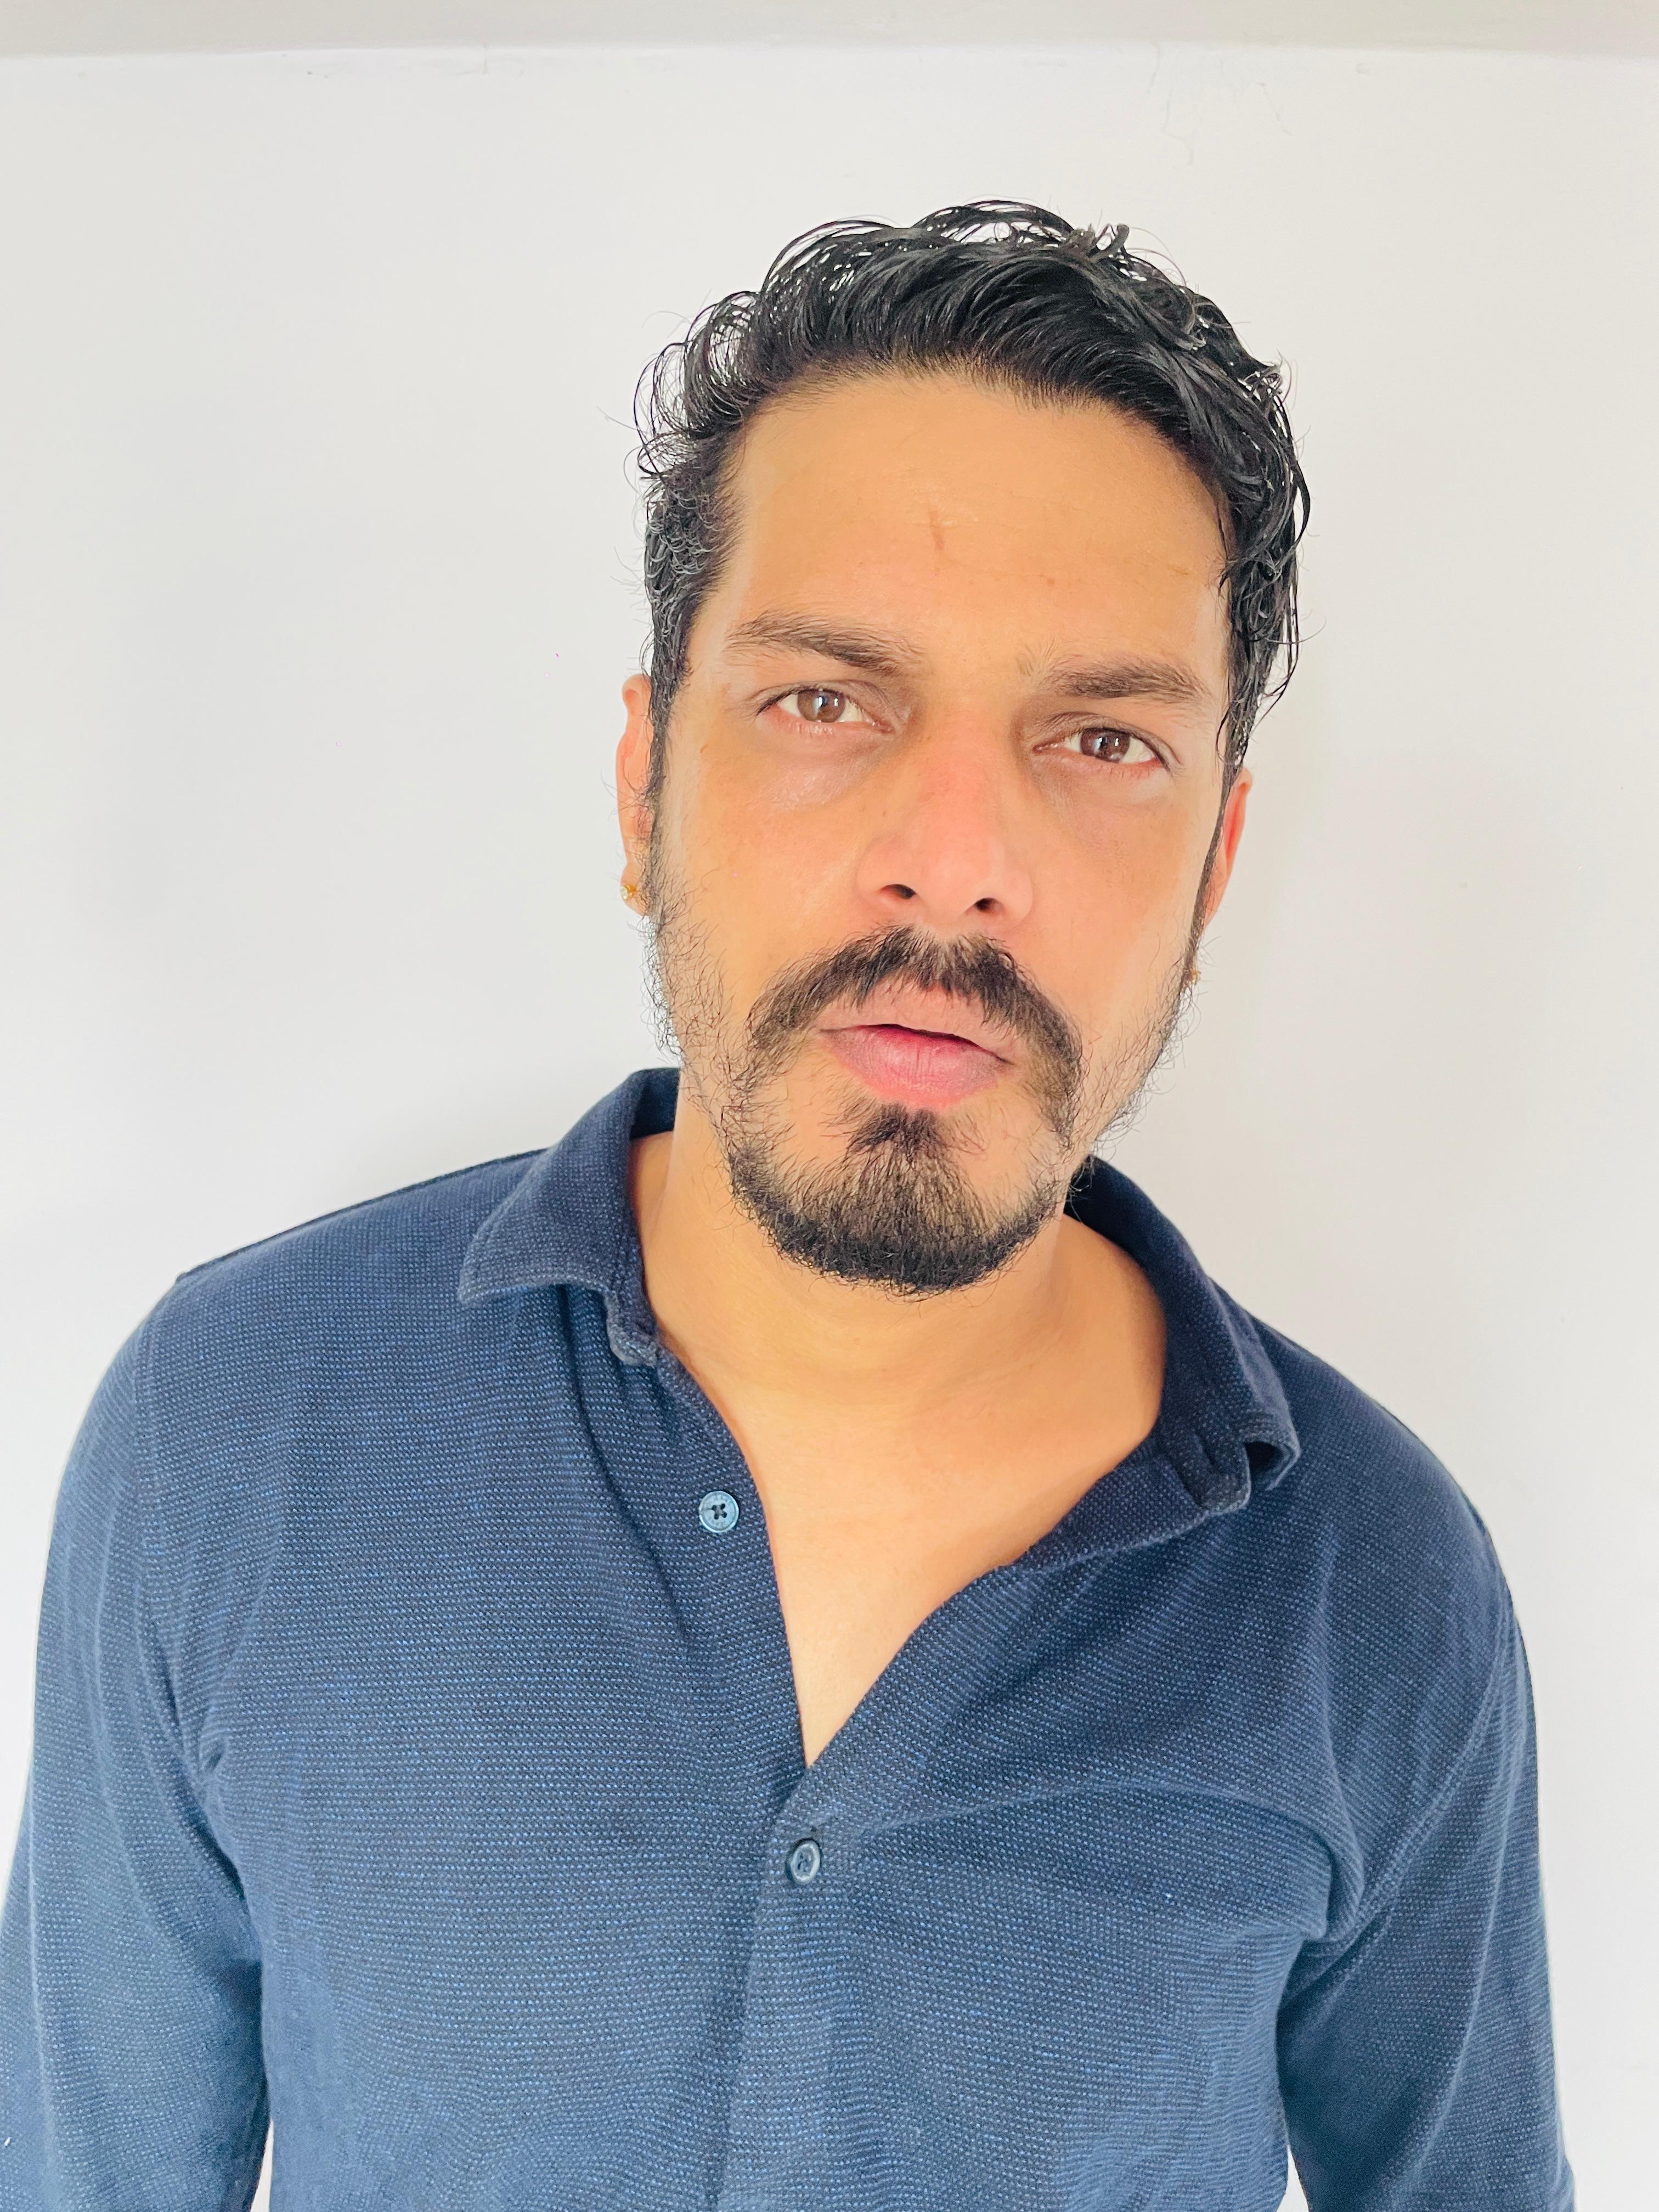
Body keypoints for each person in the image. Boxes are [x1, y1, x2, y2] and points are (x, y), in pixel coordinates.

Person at [0, 203, 1572, 2210]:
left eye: (1103, 739)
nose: (955, 859)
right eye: (829, 700)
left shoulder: (1383, 1590)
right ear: (644, 780)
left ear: (1216, 865)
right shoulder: (227, 1434)